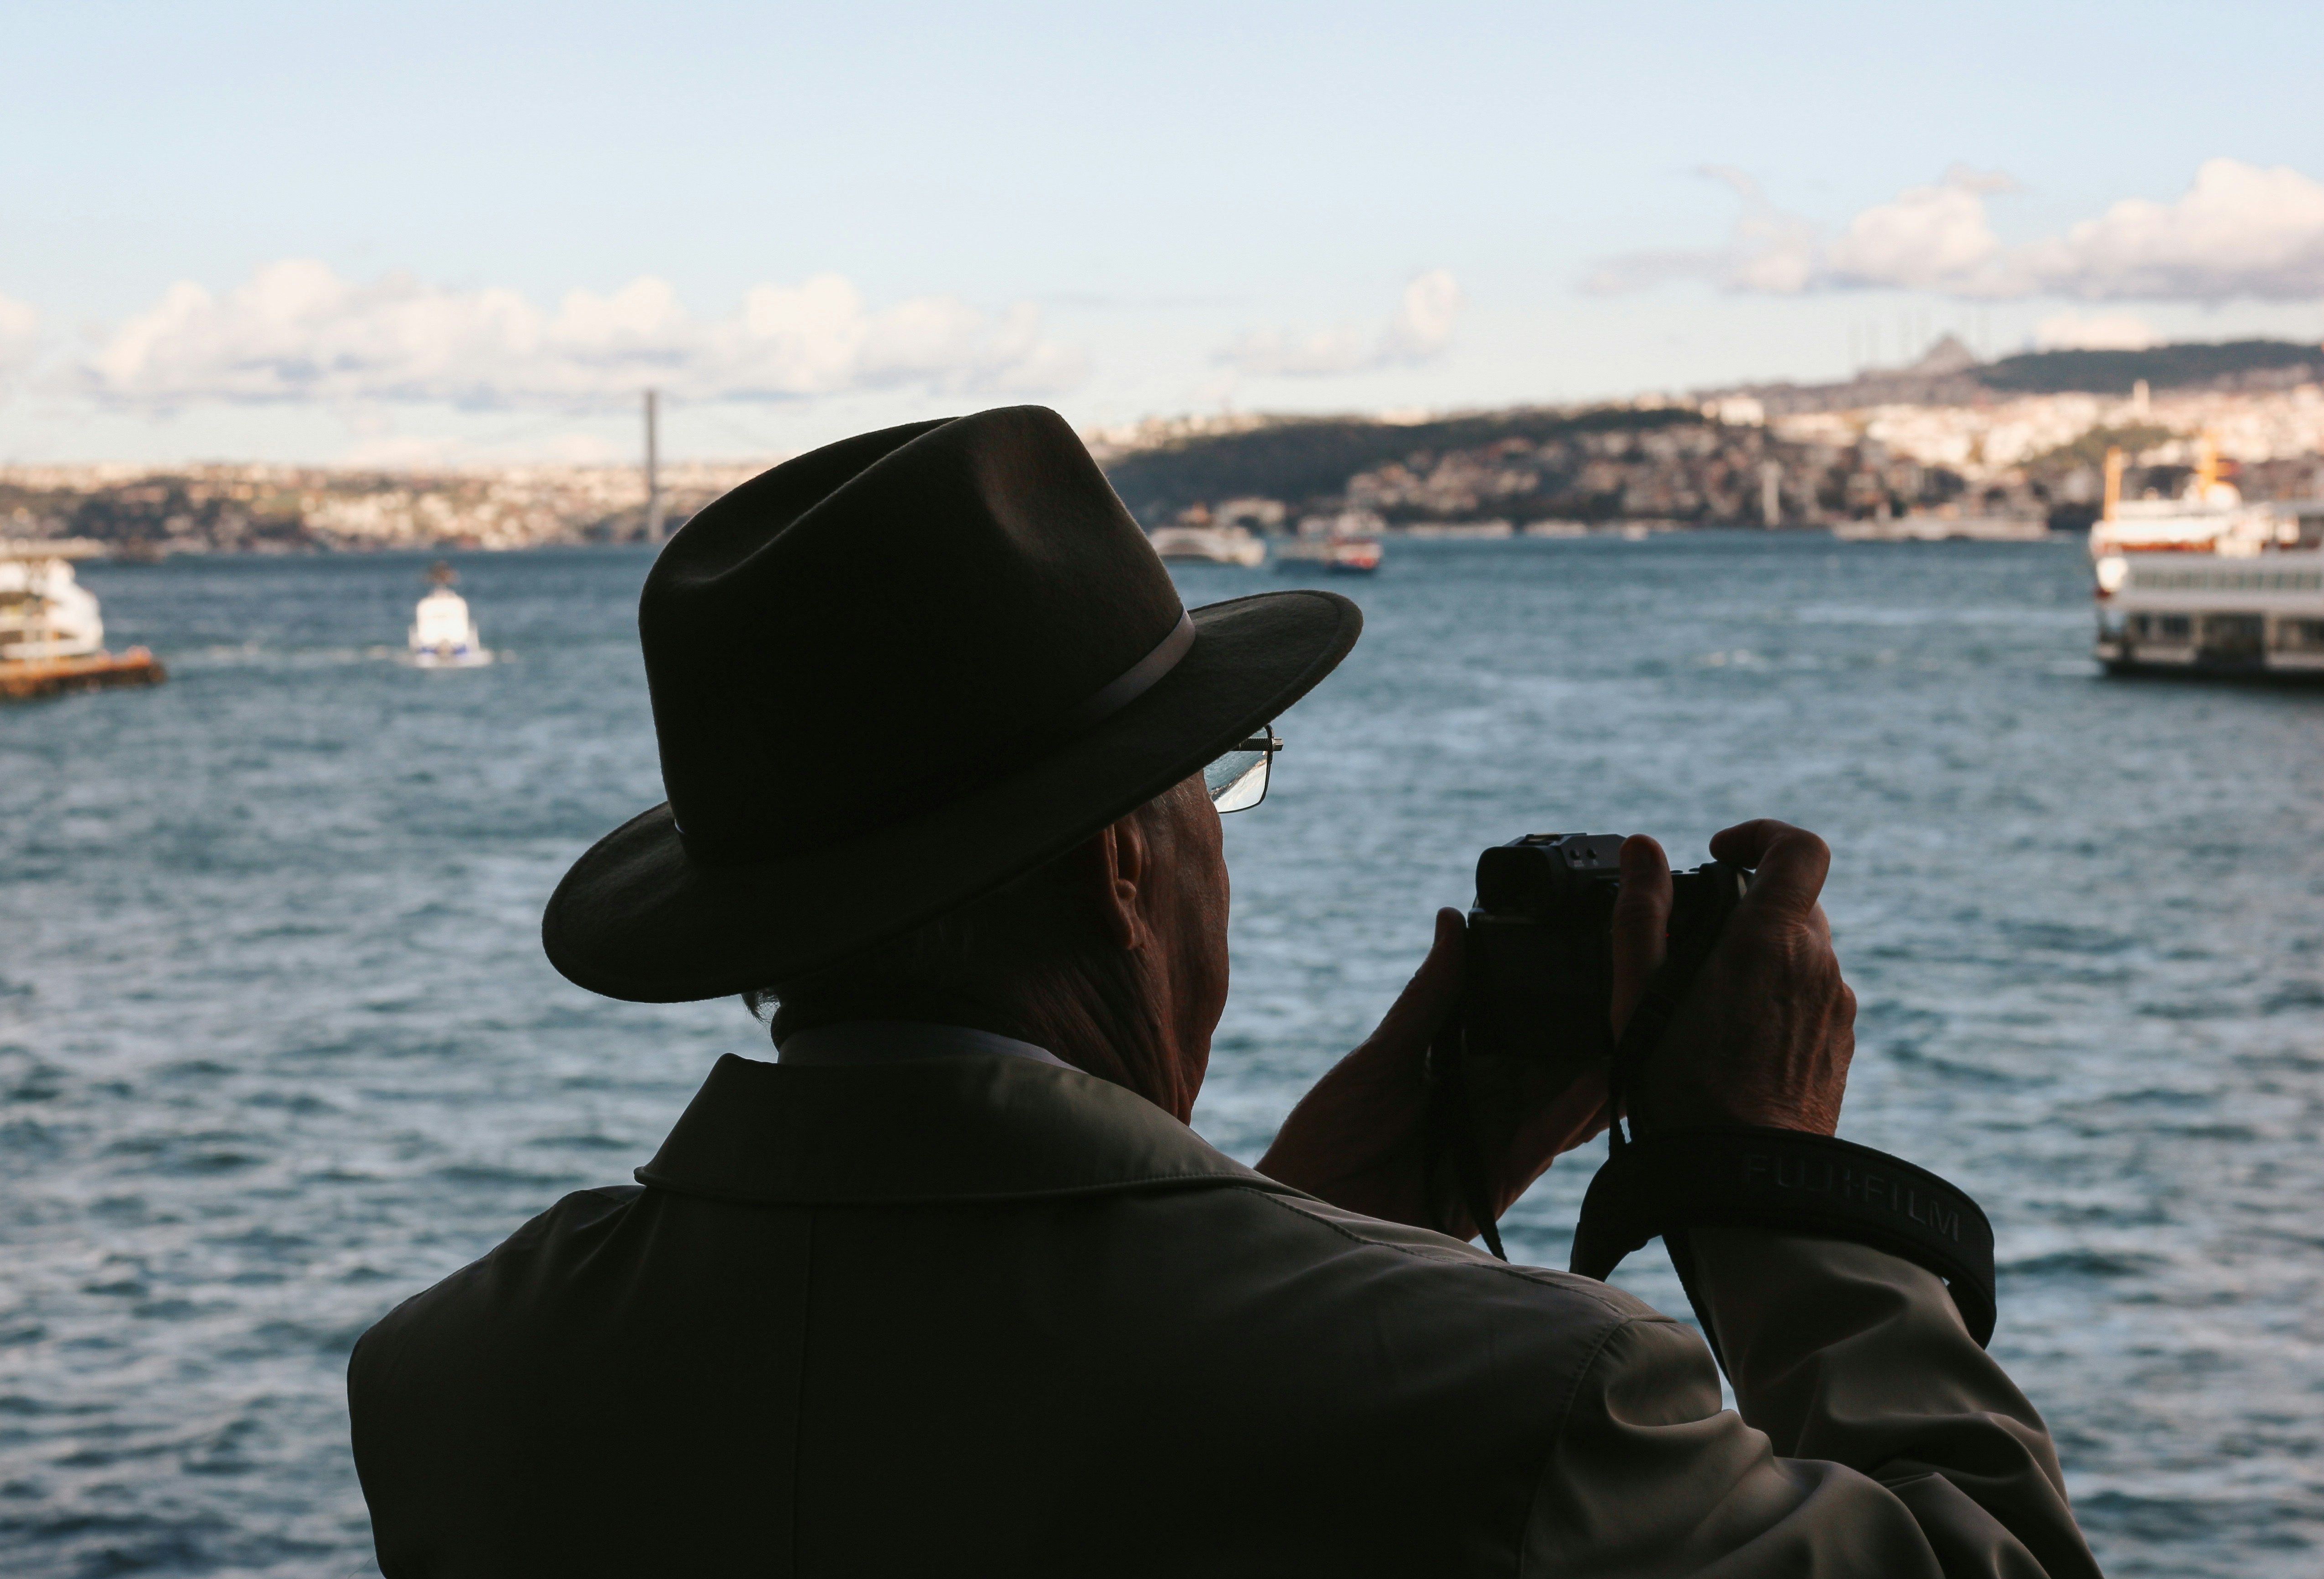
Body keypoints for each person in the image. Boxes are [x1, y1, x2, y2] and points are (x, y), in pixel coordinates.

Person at [349, 406, 2102, 1577]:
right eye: (1221, 787)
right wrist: (1775, 1188)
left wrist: (1332, 1218)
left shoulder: (456, 1383)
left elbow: (1006, 1405)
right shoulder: (1537, 1406)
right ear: (1125, 870)